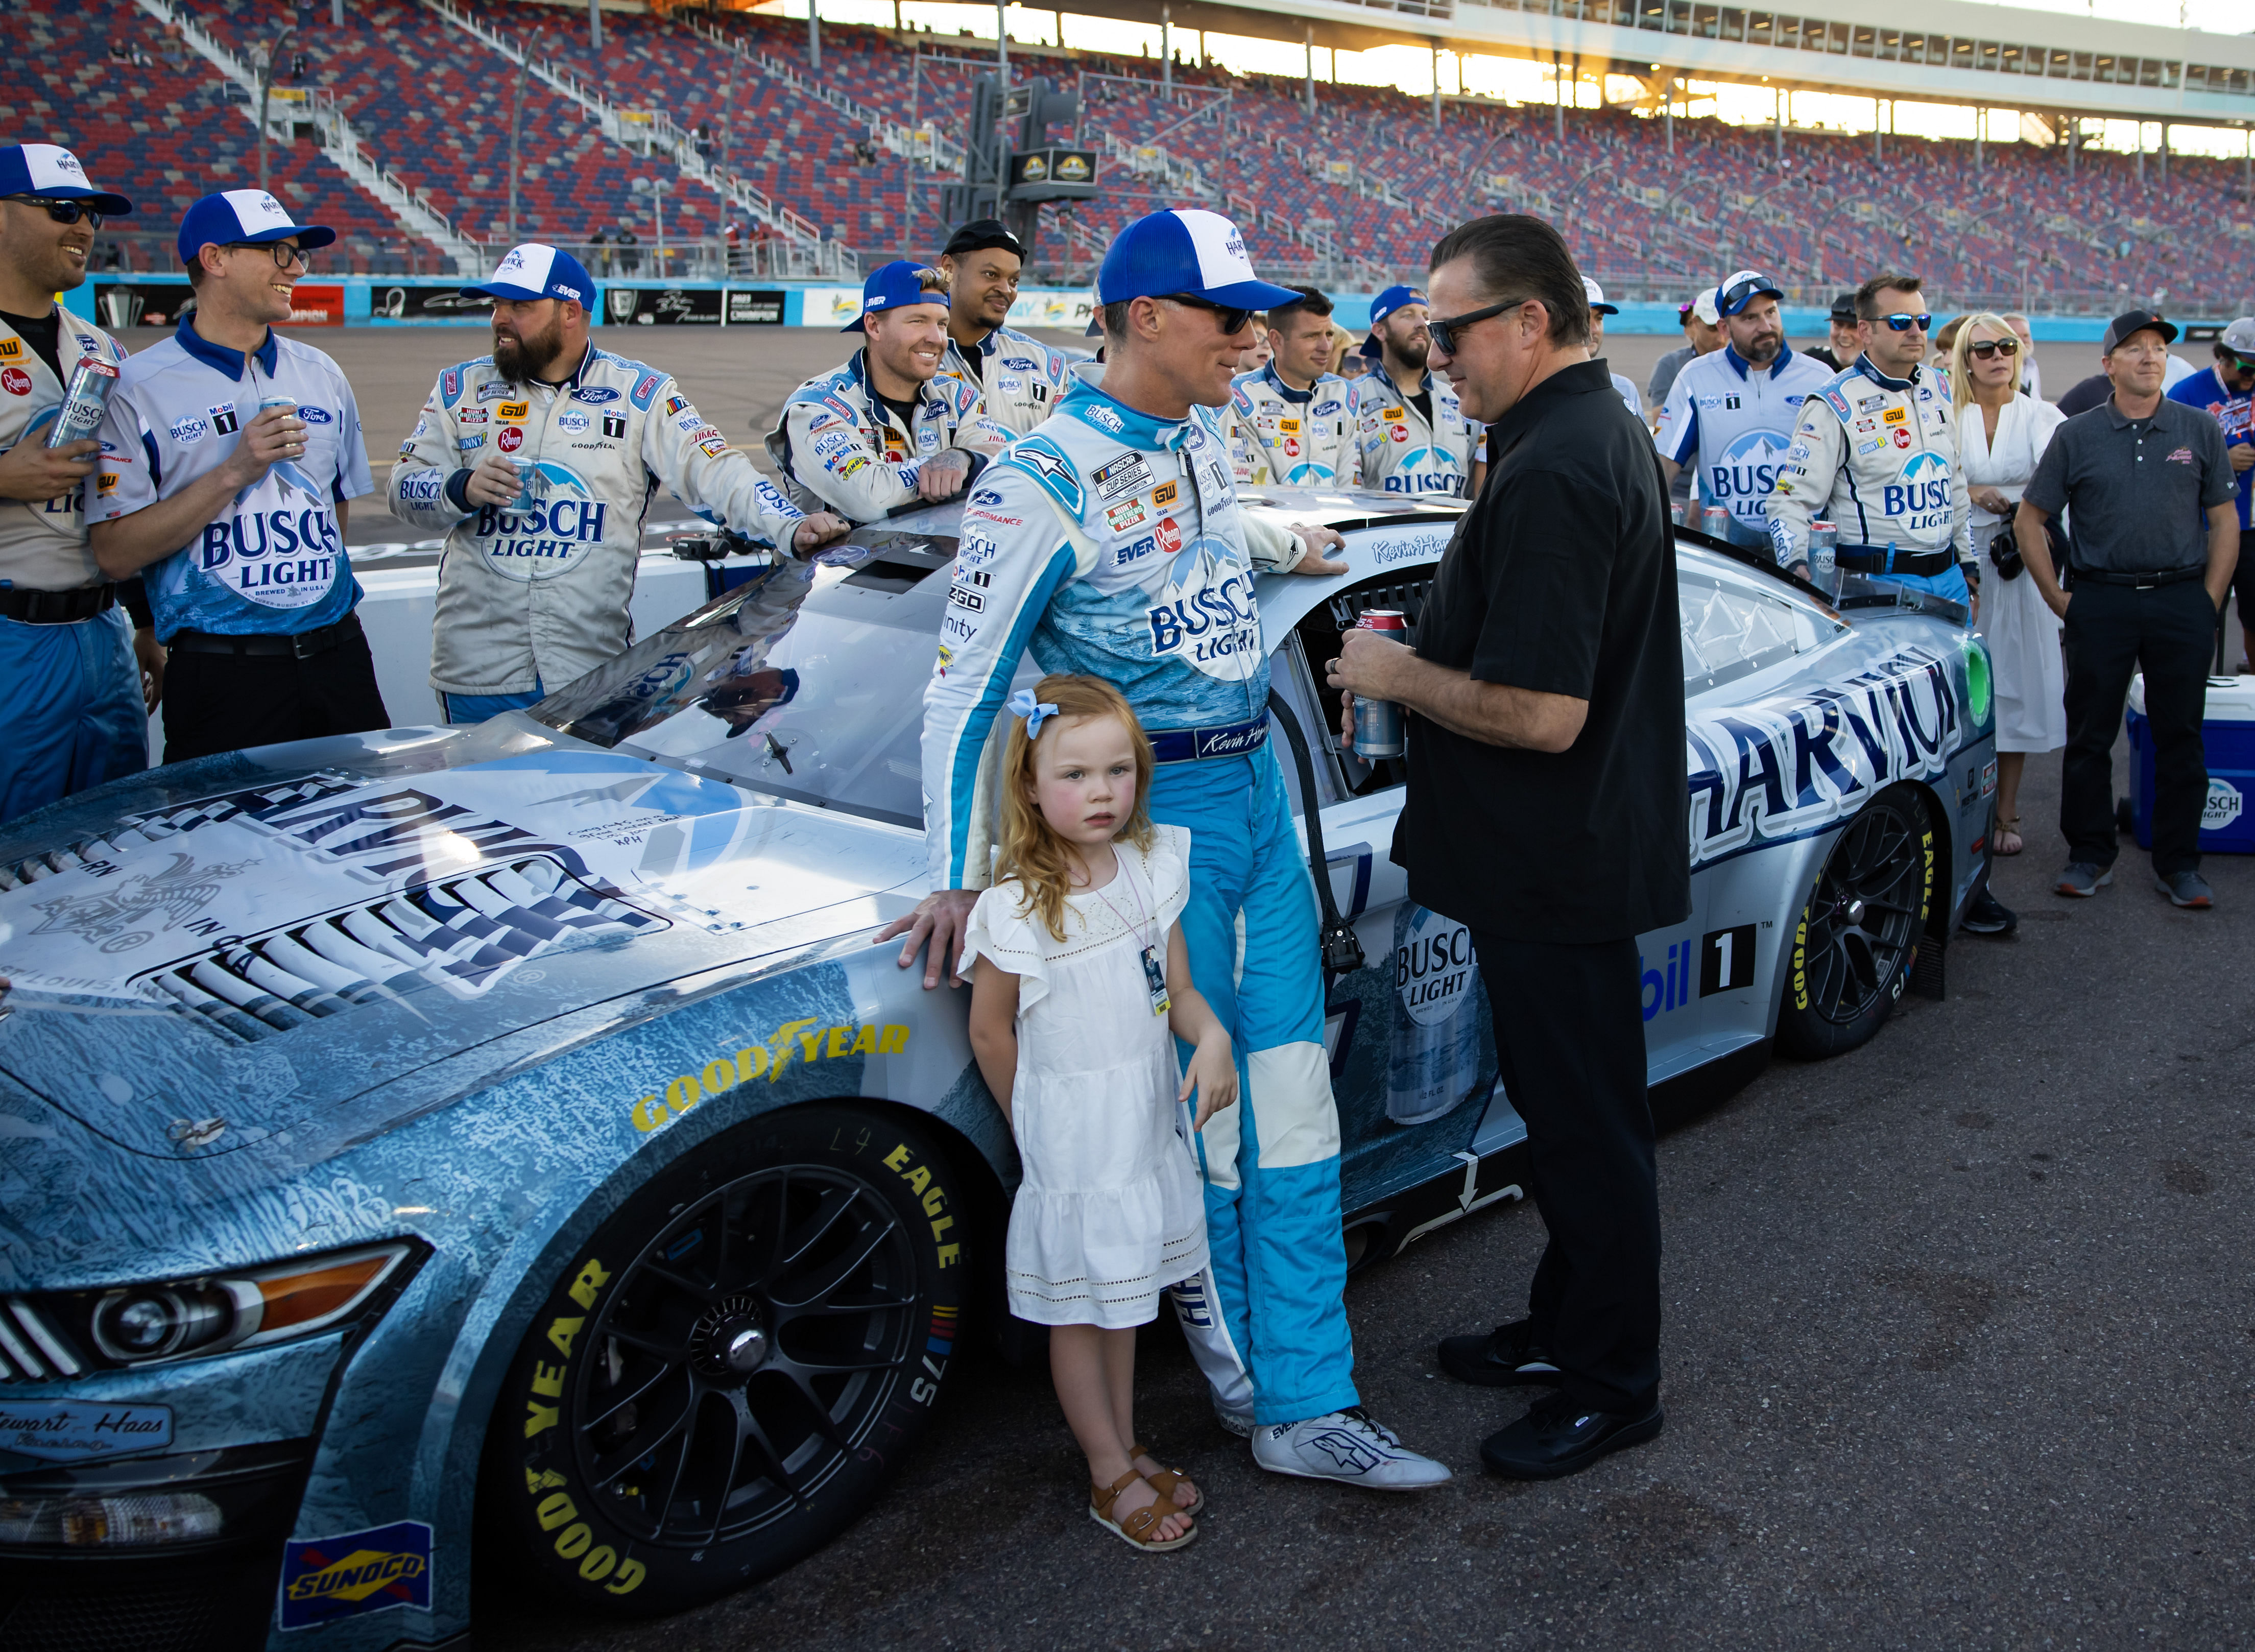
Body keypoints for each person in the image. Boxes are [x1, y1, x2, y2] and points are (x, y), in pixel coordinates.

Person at [883, 207, 1449, 1489]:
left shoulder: (1195, 434)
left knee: (1293, 1108)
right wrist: (953, 876)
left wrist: (1278, 542)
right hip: (1162, 828)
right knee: (1218, 1125)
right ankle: (1273, 1392)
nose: (1254, 339)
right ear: (1146, 317)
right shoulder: (1032, 479)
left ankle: (1305, 1394)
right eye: (1228, 317)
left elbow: (1194, 539)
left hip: (1258, 794)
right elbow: (963, 689)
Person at [1328, 213, 1684, 1481]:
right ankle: (1562, 1327)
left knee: (1585, 1130)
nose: (1434, 347)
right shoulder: (1572, 430)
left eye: (1452, 326)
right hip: (1556, 851)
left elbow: (1541, 714)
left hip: (1556, 859)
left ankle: (1609, 1382)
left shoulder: (1554, 463)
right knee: (1567, 1116)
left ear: (1528, 322)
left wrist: (1393, 671)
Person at [960, 674, 1233, 1553]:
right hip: (1075, 1146)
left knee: (1125, 1301)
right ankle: (1105, 1472)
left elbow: (1178, 989)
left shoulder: (1151, 868)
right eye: (1075, 775)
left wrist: (1212, 1039)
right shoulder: (1017, 906)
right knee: (1083, 1311)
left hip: (1142, 1124)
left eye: (1118, 770)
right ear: (1031, 788)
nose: (1102, 792)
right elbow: (992, 1033)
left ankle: (1121, 1445)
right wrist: (1034, 1131)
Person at [389, 244, 847, 723]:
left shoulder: (641, 394)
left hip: (589, 672)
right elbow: (403, 488)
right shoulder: (459, 389)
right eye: (496, 305)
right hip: (477, 674)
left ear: (571, 312)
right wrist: (460, 487)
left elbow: (715, 470)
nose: (500, 319)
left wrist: (791, 526)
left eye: (519, 306)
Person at [88, 189, 386, 764]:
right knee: (221, 850)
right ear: (215, 259)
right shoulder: (136, 387)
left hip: (339, 657)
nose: (295, 268)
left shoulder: (322, 373)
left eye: (299, 254)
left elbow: (334, 511)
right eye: (278, 252)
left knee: (369, 835)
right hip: (223, 676)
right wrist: (234, 472)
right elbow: (116, 554)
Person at [2016, 308, 2240, 909]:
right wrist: (2057, 597)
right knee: (2090, 737)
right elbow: (2030, 520)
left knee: (2181, 737)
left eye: (2159, 349)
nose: (2150, 357)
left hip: (2180, 599)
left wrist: (2209, 600)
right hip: (2102, 598)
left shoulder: (2199, 429)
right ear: (2108, 363)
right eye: (2135, 348)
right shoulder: (2077, 434)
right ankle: (2088, 854)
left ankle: (2179, 862)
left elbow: (2223, 520)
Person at [0, 143, 155, 823]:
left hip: (104, 632)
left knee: (115, 836)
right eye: (63, 209)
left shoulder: (101, 345)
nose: (85, 227)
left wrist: (147, 622)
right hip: (13, 634)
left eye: (91, 212)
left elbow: (118, 495)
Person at [1767, 272, 1979, 613]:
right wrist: (1798, 566)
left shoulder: (1939, 386)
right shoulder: (1833, 404)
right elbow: (1790, 499)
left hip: (1949, 580)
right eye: (1899, 322)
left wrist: (1969, 568)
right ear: (1866, 331)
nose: (1915, 331)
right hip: (1878, 586)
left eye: (1922, 321)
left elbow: (1955, 483)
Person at [764, 260, 1010, 523]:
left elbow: (1009, 474)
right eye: (918, 321)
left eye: (941, 324)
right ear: (874, 326)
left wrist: (963, 458)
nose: (937, 339)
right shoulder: (817, 408)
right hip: (839, 564)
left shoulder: (959, 397)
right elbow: (871, 500)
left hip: (936, 562)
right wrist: (953, 473)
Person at [1954, 312, 2066, 873]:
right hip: (1961, 560)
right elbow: (1935, 476)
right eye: (1984, 349)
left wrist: (2024, 505)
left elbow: (2061, 474)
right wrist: (1973, 489)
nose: (1998, 355)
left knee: (2014, 681)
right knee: (1962, 687)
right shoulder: (1946, 417)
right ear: (1964, 359)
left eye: (2006, 346)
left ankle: (2009, 811)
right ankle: (1962, 807)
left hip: (2022, 561)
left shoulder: (2042, 414)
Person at [1654, 269, 1831, 551]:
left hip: (1802, 555)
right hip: (1728, 558)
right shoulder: (1696, 378)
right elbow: (1661, 469)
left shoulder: (1819, 378)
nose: (1765, 326)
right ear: (1725, 328)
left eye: (1771, 312)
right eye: (1750, 318)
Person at [2165, 317, 2254, 672]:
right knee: (2202, 612)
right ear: (2224, 357)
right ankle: (2192, 683)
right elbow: (2166, 456)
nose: (2252, 377)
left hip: (2251, 527)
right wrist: (2221, 460)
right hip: (2201, 526)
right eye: (2247, 367)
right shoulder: (2187, 394)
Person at [933, 218, 1071, 436]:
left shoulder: (1047, 365)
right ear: (949, 269)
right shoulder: (913, 358)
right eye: (991, 275)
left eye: (1014, 280)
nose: (1006, 290)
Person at [1347, 283, 1475, 498]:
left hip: (1453, 530)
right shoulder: (1352, 400)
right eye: (1407, 315)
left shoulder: (1459, 396)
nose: (1421, 324)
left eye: (1426, 315)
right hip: (1385, 531)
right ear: (1379, 330)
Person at [1227, 284, 1360, 487]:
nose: (1325, 347)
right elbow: (1256, 495)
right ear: (1277, 340)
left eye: (1329, 335)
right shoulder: (1240, 396)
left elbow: (1351, 488)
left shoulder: (1344, 393)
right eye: (1312, 336)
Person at [1645, 287, 1719, 409]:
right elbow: (1662, 422)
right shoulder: (1670, 364)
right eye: (1690, 323)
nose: (1720, 337)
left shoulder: (1741, 362)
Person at [1584, 277, 1642, 417]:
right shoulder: (1541, 389)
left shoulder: (1625, 390)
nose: (1595, 328)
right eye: (1584, 318)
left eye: (1599, 318)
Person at [1803, 292, 1861, 373]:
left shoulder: (1882, 372)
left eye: (1854, 327)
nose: (1844, 334)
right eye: (1839, 325)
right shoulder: (1807, 365)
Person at [2002, 311, 2043, 402]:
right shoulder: (2001, 368)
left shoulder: (2032, 366)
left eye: (2026, 335)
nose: (2024, 341)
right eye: (2017, 336)